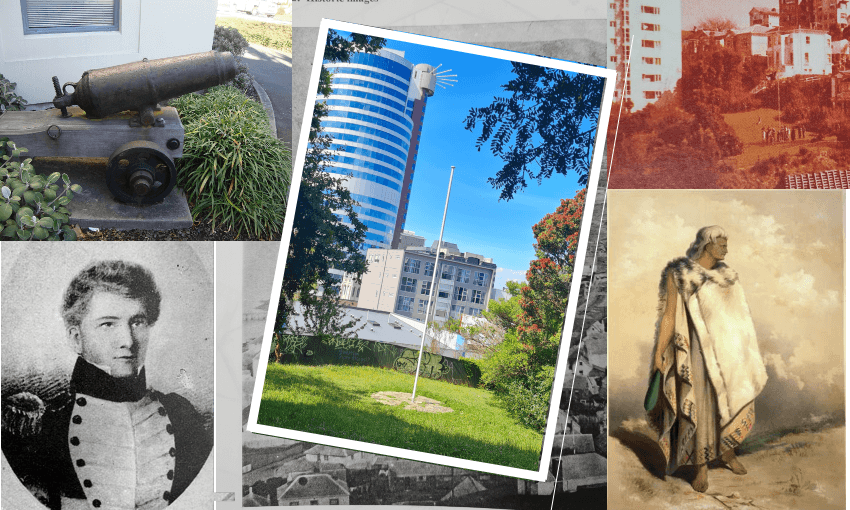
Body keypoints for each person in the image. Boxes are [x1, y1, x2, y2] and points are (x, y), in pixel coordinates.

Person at [1, 261, 212, 510]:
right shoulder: (47, 428)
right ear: (76, 338)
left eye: (137, 322)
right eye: (108, 324)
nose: (127, 341)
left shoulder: (180, 415)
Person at [646, 226, 768, 493]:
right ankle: (700, 466)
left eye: (726, 244)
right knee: (701, 406)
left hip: (727, 352)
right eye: (721, 244)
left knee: (729, 400)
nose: (726, 249)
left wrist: (743, 351)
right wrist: (659, 351)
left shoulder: (728, 277)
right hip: (697, 352)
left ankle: (727, 453)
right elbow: (669, 315)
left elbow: (739, 318)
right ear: (706, 245)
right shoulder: (680, 273)